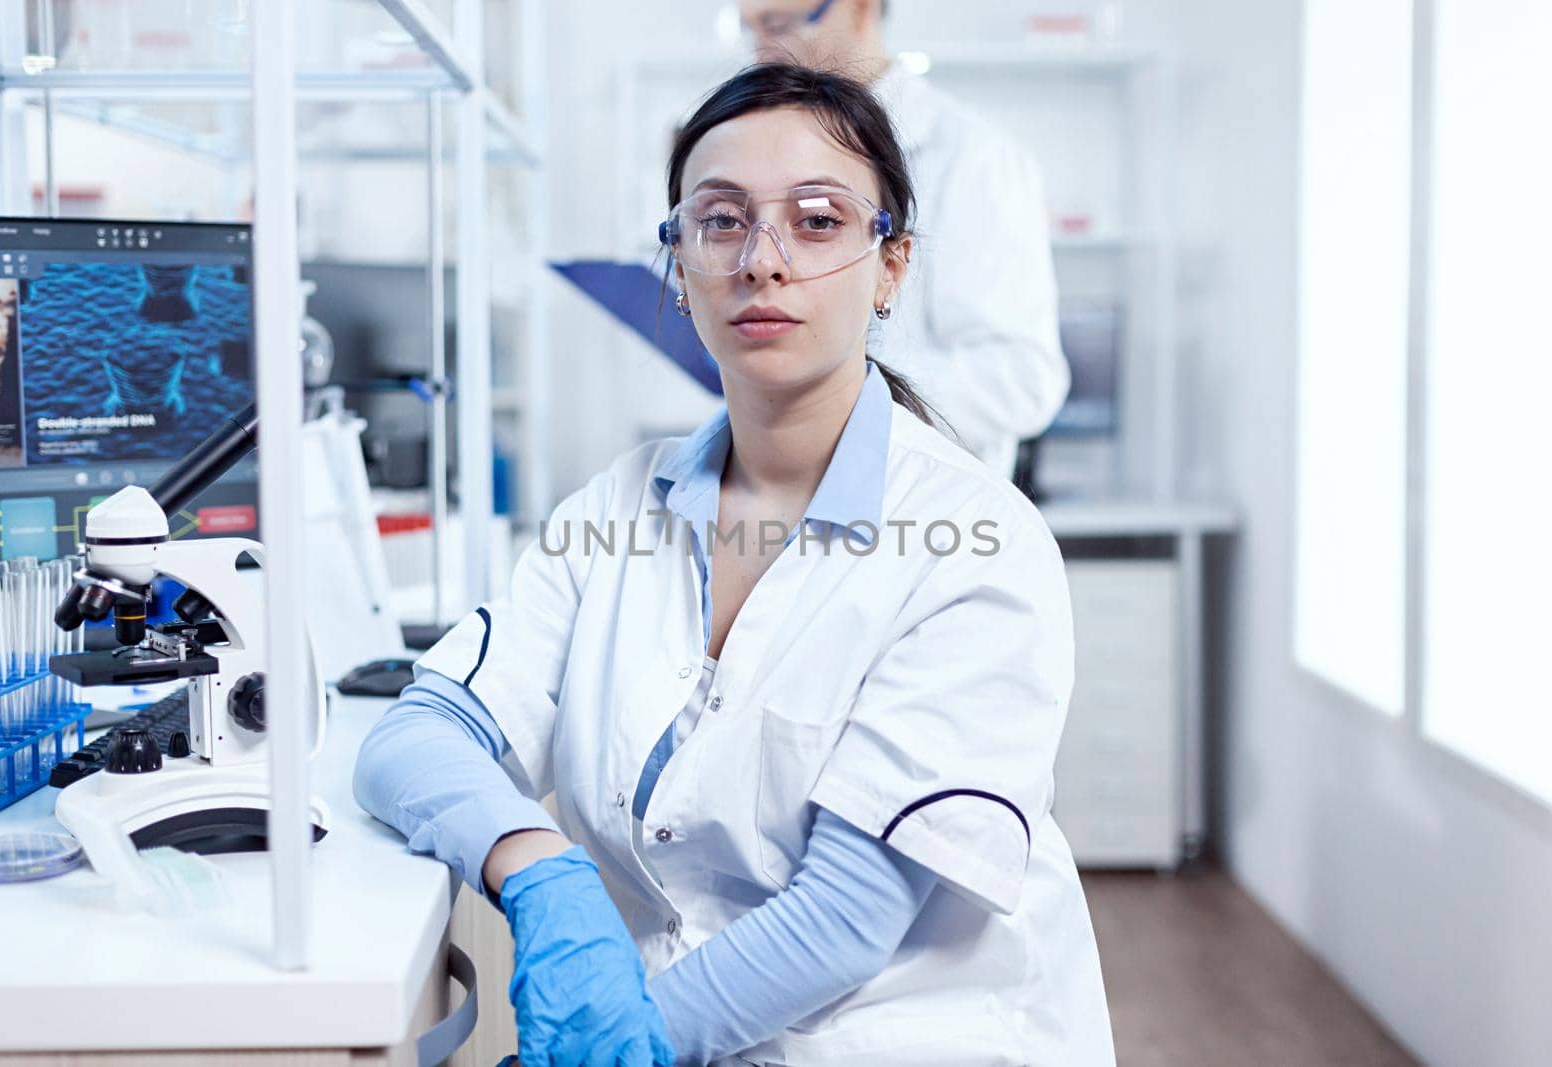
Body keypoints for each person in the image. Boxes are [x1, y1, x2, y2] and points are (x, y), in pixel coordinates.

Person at [354, 63, 1113, 1067]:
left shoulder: (977, 545)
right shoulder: (615, 511)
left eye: (817, 220)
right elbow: (417, 733)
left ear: (891, 267)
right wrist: (537, 866)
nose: (762, 260)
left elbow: (847, 911)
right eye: (719, 221)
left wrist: (623, 1047)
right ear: (676, 266)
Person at [740, 0, 1070, 478]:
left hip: (924, 512)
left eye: (778, 23)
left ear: (860, 9)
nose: (760, 53)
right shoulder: (769, 154)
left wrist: (838, 392)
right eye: (749, 28)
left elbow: (1021, 380)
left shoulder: (971, 158)